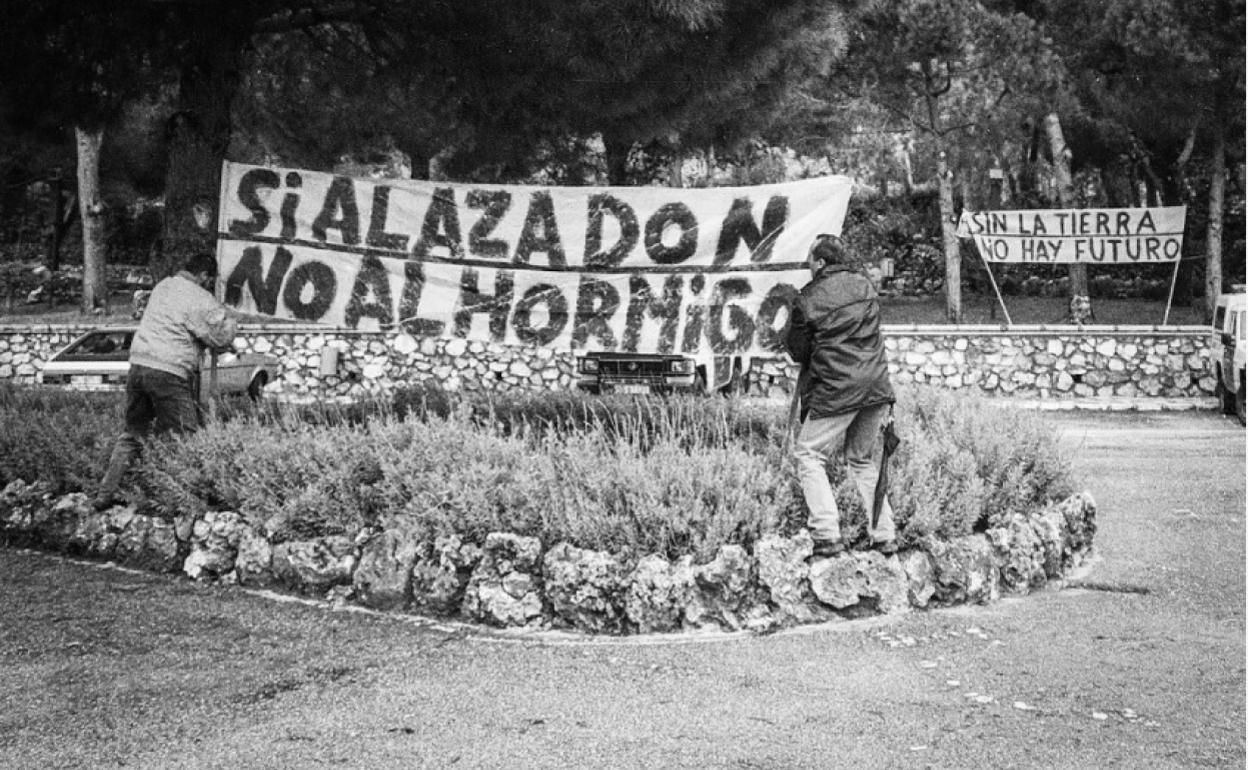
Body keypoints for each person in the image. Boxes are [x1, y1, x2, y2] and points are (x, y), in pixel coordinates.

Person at [93, 252, 238, 510]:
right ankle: (186, 499)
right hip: (168, 372)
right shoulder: (200, 297)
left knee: (133, 433)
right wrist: (229, 317)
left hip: (138, 366)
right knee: (187, 434)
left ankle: (105, 494)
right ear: (204, 276)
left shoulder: (163, 286)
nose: (208, 284)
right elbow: (220, 336)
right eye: (209, 279)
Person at [784, 234, 897, 558]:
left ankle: (826, 534)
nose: (807, 266)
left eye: (809, 261)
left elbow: (799, 351)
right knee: (861, 459)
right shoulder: (864, 287)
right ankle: (884, 534)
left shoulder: (807, 298)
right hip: (876, 387)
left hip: (837, 388)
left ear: (820, 263)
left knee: (808, 454)